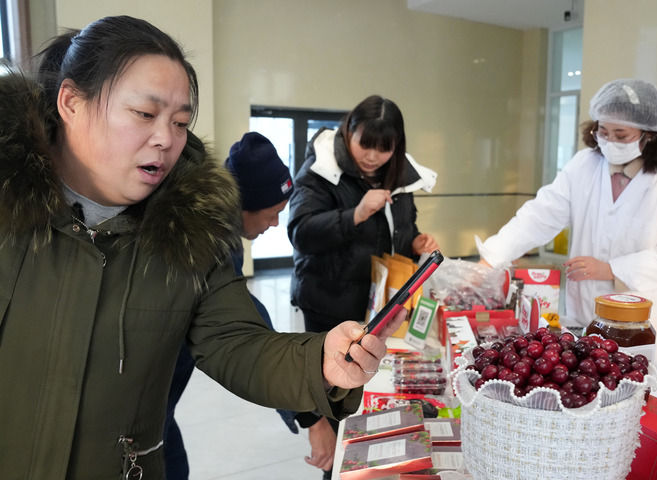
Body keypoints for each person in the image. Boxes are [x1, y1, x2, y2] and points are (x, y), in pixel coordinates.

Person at [0, 16, 405, 479]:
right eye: (145, 114)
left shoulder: (189, 235)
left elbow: (238, 342)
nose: (166, 139)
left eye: (179, 122)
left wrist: (322, 364)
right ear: (71, 102)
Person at [477, 78, 657, 388]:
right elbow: (542, 213)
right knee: (585, 396)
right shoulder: (585, 165)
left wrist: (611, 268)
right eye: (602, 131)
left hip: (646, 322)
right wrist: (493, 257)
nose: (609, 141)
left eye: (621, 134)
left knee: (641, 409)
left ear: (650, 135)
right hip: (586, 313)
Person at [165, 132, 336, 479]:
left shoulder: (218, 232)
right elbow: (251, 330)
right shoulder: (210, 246)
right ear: (243, 204)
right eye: (272, 213)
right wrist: (311, 415)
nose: (275, 223)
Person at [288, 95, 440, 334]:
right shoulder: (321, 168)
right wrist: (355, 215)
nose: (372, 157)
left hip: (380, 304)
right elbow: (302, 234)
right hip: (329, 305)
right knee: (329, 370)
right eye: (365, 144)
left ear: (396, 146)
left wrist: (414, 242)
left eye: (384, 149)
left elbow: (401, 224)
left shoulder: (399, 174)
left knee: (376, 370)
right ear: (349, 131)